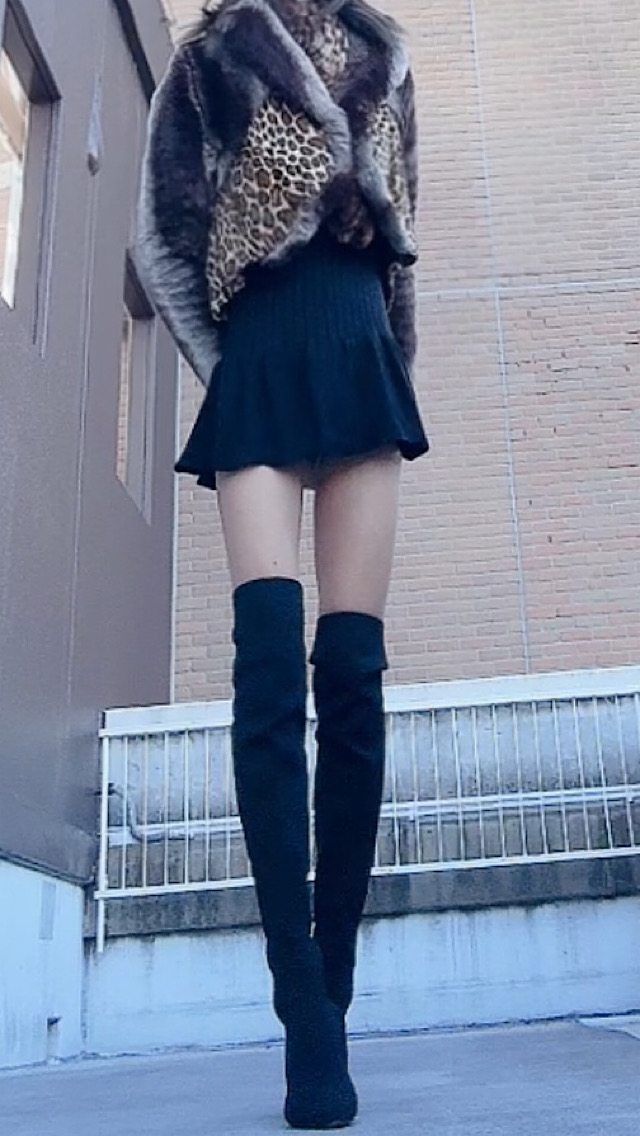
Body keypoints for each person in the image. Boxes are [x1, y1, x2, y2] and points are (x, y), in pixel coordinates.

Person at [138, 0, 429, 1128]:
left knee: (351, 681)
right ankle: (298, 997)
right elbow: (165, 240)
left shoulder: (388, 57)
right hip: (260, 356)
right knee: (268, 680)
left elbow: (406, 231)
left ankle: (333, 985)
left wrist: (392, 364)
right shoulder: (211, 56)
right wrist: (232, 361)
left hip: (360, 350)